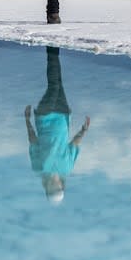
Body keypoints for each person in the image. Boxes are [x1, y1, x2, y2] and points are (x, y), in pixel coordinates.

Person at [24, 46, 90, 204]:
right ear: (62, 186)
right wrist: (83, 130)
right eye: (58, 189)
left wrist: (27, 121)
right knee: (57, 82)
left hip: (44, 116)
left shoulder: (39, 168)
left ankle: (52, 48)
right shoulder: (67, 169)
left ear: (46, 188)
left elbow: (33, 142)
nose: (55, 186)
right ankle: (53, 48)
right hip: (63, 114)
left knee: (54, 84)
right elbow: (73, 145)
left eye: (52, 190)